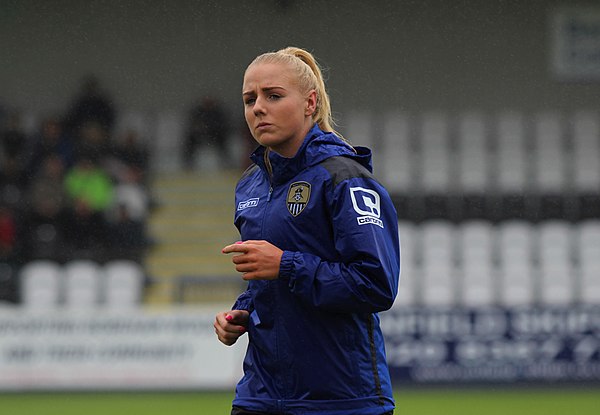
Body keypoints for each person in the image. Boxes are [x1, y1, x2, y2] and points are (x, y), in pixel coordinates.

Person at [214, 47, 400, 415]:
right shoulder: (250, 186)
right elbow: (265, 281)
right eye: (249, 99)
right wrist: (242, 312)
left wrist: (285, 265)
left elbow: (376, 284)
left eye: (273, 96)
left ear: (310, 102)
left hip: (340, 398)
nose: (258, 108)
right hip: (261, 394)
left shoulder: (345, 179)